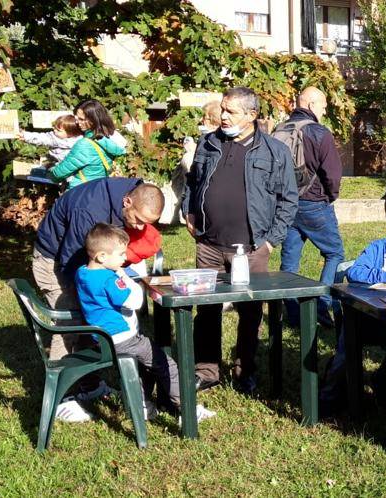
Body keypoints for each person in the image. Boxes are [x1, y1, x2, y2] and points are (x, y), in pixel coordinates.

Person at [183, 86, 298, 394]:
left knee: (250, 313)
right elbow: (192, 183)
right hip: (208, 243)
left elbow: (288, 200)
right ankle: (206, 371)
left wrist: (271, 241)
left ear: (252, 115)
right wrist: (188, 212)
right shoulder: (208, 143)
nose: (222, 115)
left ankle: (244, 369)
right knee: (205, 311)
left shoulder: (275, 151)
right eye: (222, 109)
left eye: (230, 111)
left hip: (251, 248)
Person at [32, 177, 164, 421]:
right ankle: (58, 398)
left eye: (146, 224)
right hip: (56, 260)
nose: (137, 228)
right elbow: (71, 262)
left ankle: (89, 387)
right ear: (127, 202)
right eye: (137, 221)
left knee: (90, 319)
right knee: (70, 325)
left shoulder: (134, 195)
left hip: (88, 262)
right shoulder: (89, 211)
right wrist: (95, 298)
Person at [74, 224, 215, 422]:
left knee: (145, 365)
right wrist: (124, 276)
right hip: (123, 338)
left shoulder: (82, 273)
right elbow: (135, 301)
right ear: (102, 256)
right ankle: (188, 409)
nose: (125, 258)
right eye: (121, 254)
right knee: (166, 364)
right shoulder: (109, 279)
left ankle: (142, 405)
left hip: (102, 339)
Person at [318, 223, 386, 414]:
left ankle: (384, 385)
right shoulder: (377, 249)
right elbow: (354, 272)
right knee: (344, 355)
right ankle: (327, 399)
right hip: (363, 319)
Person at [276, 87, 346, 329]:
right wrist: (330, 196)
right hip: (314, 203)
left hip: (285, 205)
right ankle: (322, 303)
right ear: (313, 104)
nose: (325, 111)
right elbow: (333, 174)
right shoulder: (319, 132)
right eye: (324, 106)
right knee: (335, 254)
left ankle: (294, 315)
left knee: (289, 262)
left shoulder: (279, 129)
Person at [48, 100, 127, 190]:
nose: (77, 122)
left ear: (93, 120)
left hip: (80, 192)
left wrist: (50, 169)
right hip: (100, 190)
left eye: (81, 119)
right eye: (76, 118)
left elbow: (58, 174)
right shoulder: (110, 137)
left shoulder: (84, 145)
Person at [170, 101, 222, 223]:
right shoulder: (203, 136)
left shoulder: (217, 138)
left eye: (204, 117)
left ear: (211, 118)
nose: (201, 120)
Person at [17, 114, 83, 164]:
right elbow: (42, 138)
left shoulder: (81, 142)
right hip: (54, 163)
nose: (54, 130)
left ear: (70, 134)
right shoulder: (54, 137)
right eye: (55, 127)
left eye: (58, 130)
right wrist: (25, 135)